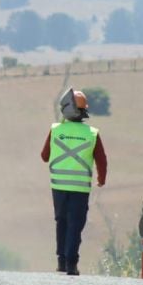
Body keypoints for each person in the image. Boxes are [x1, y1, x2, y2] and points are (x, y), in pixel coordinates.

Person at [40, 88, 107, 275]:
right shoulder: (92, 133)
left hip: (58, 187)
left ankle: (61, 261)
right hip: (80, 188)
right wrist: (101, 179)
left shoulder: (55, 130)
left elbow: (44, 156)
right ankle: (71, 263)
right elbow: (101, 160)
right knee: (75, 224)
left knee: (61, 221)